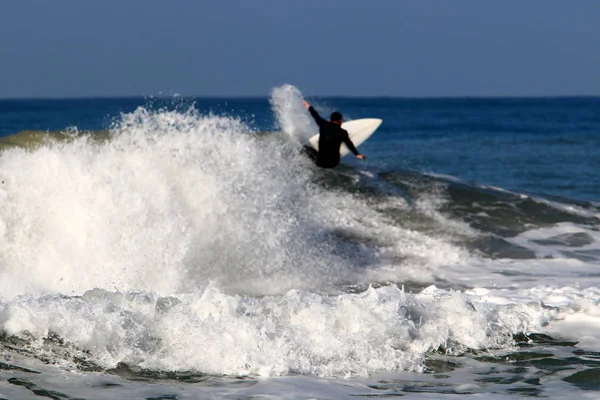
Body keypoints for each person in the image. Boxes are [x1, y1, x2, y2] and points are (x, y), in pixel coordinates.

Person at [302, 100, 366, 168]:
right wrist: (357, 154)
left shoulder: (323, 124)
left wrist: (308, 106)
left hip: (320, 162)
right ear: (340, 120)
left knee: (305, 148)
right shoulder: (343, 132)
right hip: (334, 163)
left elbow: (315, 115)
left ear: (330, 120)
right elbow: (349, 144)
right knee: (340, 142)